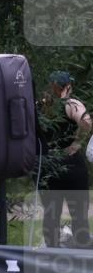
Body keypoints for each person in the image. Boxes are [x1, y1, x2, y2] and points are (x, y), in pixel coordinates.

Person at [37, 71, 91, 248]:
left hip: (47, 165)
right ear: (67, 87)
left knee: (51, 215)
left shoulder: (39, 107)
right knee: (79, 215)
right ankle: (82, 260)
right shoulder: (70, 104)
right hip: (70, 164)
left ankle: (52, 255)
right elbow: (86, 122)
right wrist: (77, 142)